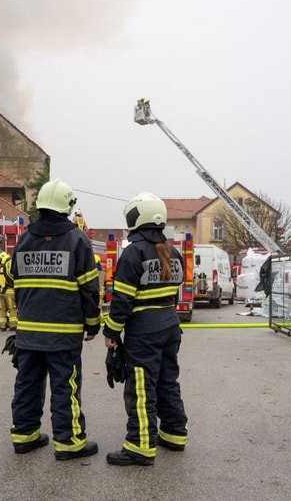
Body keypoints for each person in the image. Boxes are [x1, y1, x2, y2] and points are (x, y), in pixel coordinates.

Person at [5, 178, 101, 460]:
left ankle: (25, 436)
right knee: (65, 388)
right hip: (63, 334)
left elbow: (13, 279)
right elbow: (89, 288)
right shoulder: (76, 239)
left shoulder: (24, 239)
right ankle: (70, 443)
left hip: (29, 333)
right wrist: (93, 323)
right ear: (67, 206)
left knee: (27, 386)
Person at [103, 192, 188, 466]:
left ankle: (140, 446)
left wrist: (111, 332)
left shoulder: (133, 252)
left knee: (141, 389)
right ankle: (174, 434)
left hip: (145, 331)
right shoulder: (172, 251)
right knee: (167, 382)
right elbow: (173, 293)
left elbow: (123, 301)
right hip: (170, 326)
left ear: (137, 218)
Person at [0, 251, 17, 331]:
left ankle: (2, 326)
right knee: (12, 309)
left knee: (1, 309)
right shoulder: (9, 266)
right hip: (9, 291)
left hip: (0, 292)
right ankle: (13, 326)